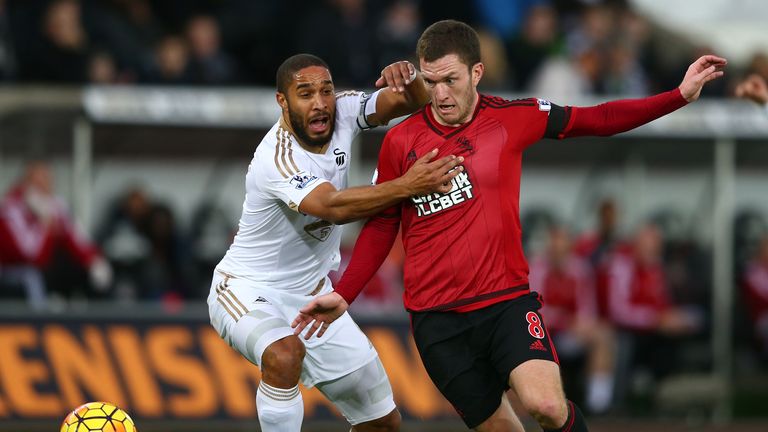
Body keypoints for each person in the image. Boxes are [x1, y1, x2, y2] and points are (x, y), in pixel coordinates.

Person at [292, 20, 725, 432]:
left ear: (476, 72)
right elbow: (383, 223)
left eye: (450, 80)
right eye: (430, 81)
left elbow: (600, 119)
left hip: (505, 303)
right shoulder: (400, 141)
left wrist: (678, 96)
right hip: (436, 321)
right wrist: (345, 293)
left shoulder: (514, 117)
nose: (439, 94)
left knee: (547, 407)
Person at [207, 53, 464, 432]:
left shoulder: (344, 109)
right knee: (283, 353)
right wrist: (409, 185)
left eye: (325, 90)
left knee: (383, 423)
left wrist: (408, 76)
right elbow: (331, 207)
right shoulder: (276, 157)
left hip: (314, 299)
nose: (320, 103)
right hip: (246, 289)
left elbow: (411, 100)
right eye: (305, 93)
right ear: (283, 101)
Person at [0, 161, 111, 308]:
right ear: (26, 183)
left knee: (92, 273)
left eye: (47, 181)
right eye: (38, 182)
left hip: (47, 268)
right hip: (17, 270)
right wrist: (44, 223)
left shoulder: (55, 204)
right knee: (34, 277)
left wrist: (93, 260)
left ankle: (96, 322)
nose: (44, 187)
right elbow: (29, 255)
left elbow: (75, 238)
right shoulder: (10, 208)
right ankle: (39, 323)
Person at [529, 227, 616, 414]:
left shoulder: (580, 270)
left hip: (572, 333)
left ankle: (598, 404)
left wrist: (580, 324)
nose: (559, 257)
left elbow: (588, 310)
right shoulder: (537, 269)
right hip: (542, 334)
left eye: (563, 251)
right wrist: (566, 319)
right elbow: (535, 310)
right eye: (555, 251)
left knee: (603, 336)